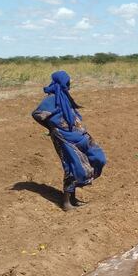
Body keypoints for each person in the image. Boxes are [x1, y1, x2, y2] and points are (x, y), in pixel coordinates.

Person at [32, 71, 106, 211]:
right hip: (64, 138)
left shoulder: (63, 97)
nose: (69, 85)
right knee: (72, 166)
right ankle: (66, 202)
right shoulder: (52, 99)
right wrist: (52, 127)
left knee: (98, 157)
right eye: (67, 82)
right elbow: (36, 114)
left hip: (77, 135)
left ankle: (73, 199)